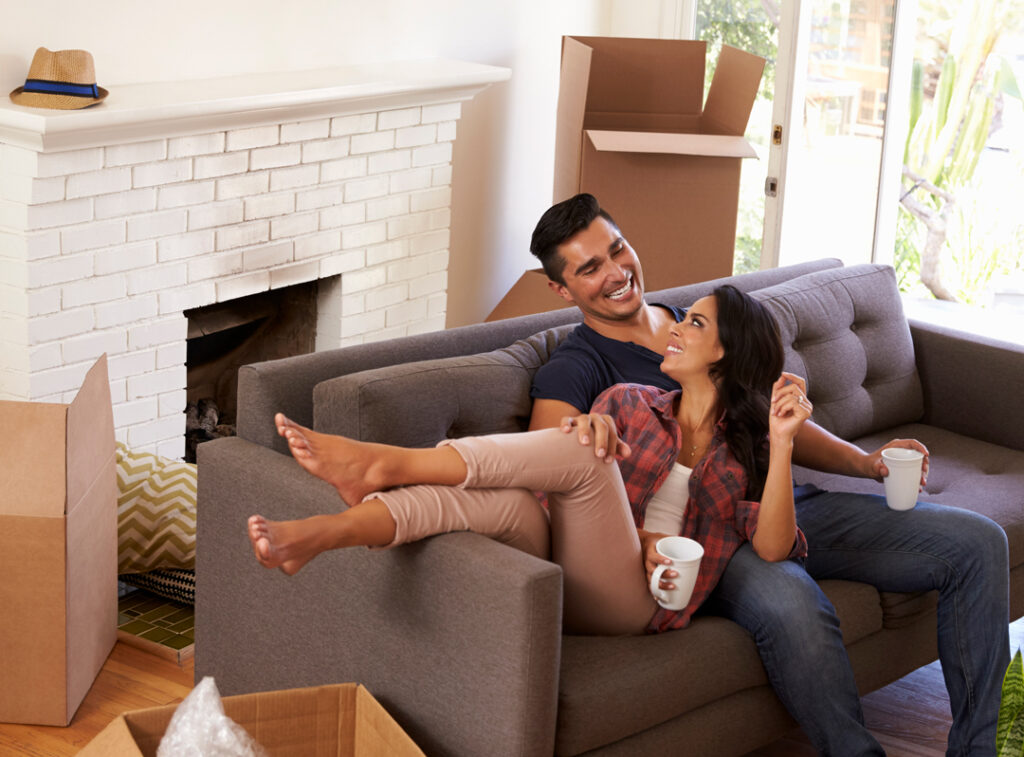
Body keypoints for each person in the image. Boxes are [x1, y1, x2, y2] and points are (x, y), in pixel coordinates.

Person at [526, 194, 1009, 756]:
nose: (615, 272)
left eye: (617, 249)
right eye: (589, 268)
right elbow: (551, 472)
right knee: (792, 605)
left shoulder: (686, 322)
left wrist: (868, 464)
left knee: (976, 542)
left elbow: (769, 417)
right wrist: (634, 536)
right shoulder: (577, 368)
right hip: (712, 539)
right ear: (562, 290)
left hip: (789, 500)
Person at [249, 285, 813, 637]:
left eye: (695, 323)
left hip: (637, 603)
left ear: (726, 351)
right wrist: (583, 432)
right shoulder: (628, 403)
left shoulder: (748, 450)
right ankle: (323, 533)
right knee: (507, 498)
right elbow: (561, 499)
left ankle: (386, 464)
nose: (676, 328)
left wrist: (784, 441)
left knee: (586, 453)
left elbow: (770, 547)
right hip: (557, 568)